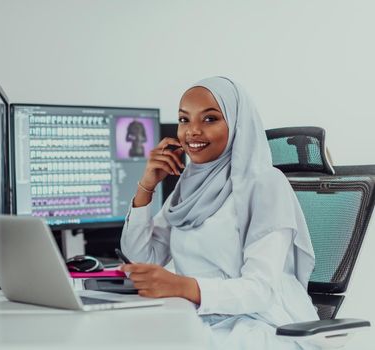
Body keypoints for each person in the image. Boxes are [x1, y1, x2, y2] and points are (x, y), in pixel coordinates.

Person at [119, 77, 319, 349]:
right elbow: (143, 257)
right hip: (201, 317)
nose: (192, 132)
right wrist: (147, 186)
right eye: (184, 119)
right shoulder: (190, 185)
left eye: (210, 119)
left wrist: (183, 286)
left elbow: (260, 291)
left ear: (236, 124)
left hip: (262, 324)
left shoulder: (264, 184)